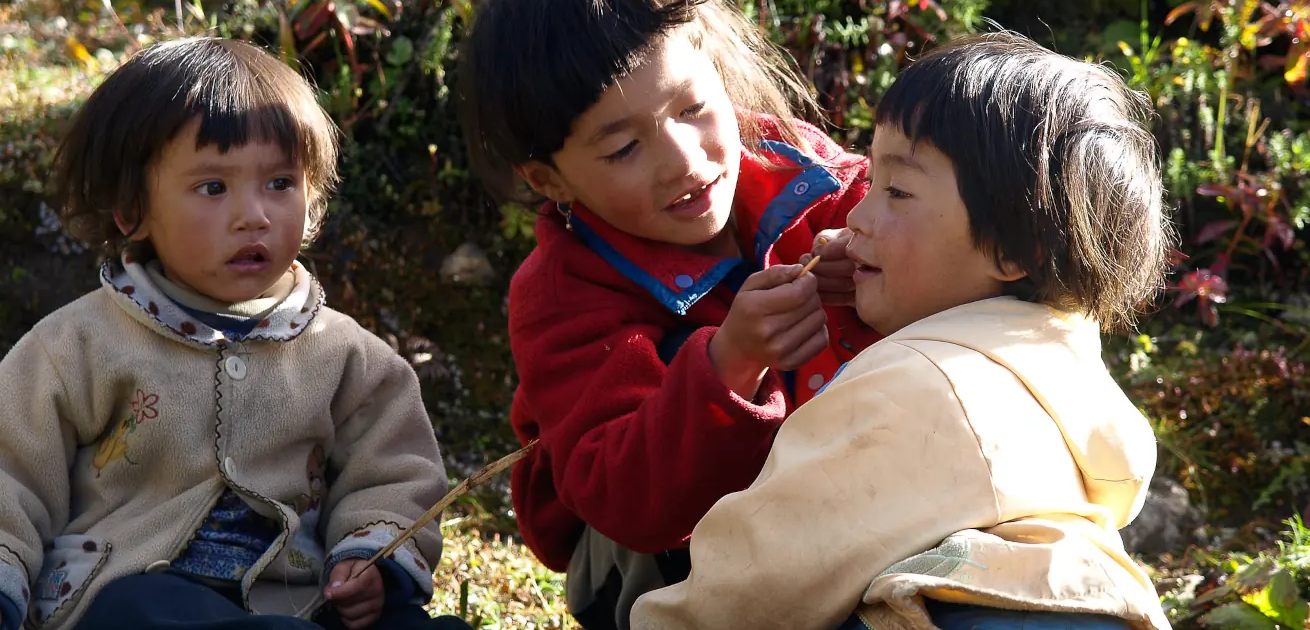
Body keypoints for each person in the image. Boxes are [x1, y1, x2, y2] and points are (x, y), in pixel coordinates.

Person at [630, 31, 1176, 630]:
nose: (857, 215)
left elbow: (768, 569)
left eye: (896, 191)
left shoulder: (918, 385)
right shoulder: (1063, 364)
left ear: (1014, 249)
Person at [0, 37, 471, 630]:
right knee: (134, 612)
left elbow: (393, 473)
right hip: (135, 590)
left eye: (280, 183)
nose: (255, 215)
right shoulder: (77, 346)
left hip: (299, 596)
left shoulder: (347, 355)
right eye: (213, 187)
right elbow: (10, 474)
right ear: (131, 209)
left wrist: (367, 557)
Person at [456, 0, 879, 627]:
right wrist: (728, 365)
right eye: (625, 147)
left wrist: (879, 262)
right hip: (653, 560)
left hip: (847, 513)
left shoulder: (807, 175)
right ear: (551, 181)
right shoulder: (560, 294)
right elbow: (626, 497)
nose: (682, 159)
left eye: (692, 108)